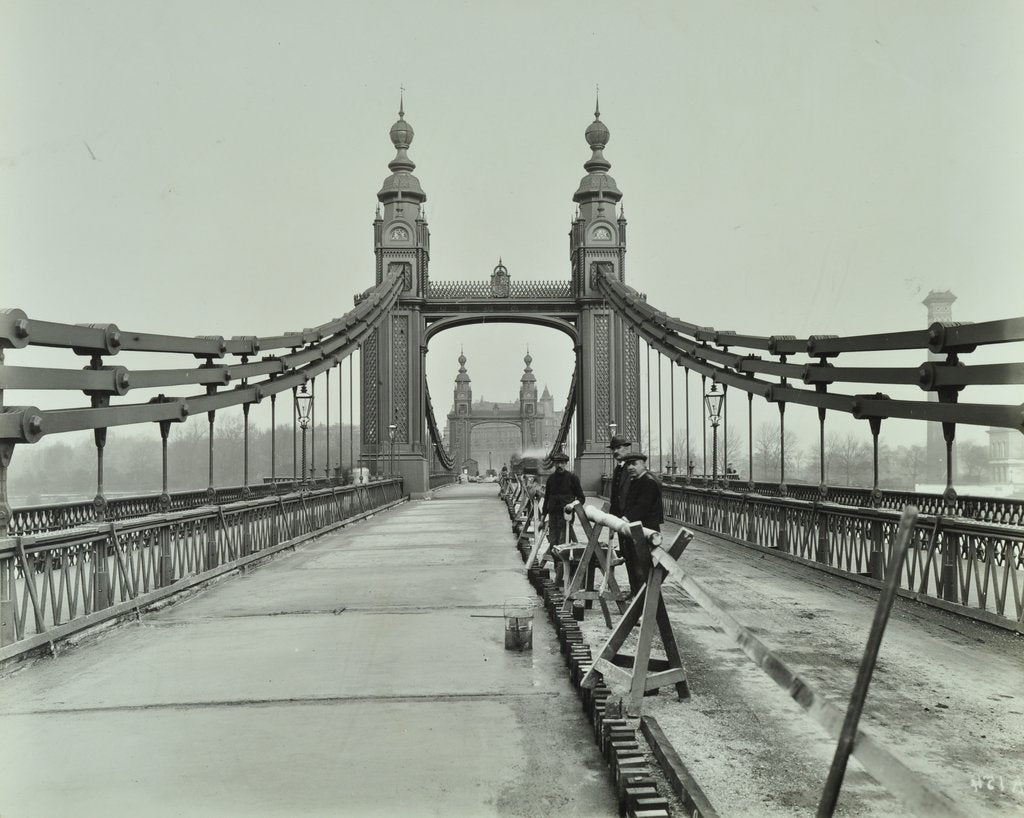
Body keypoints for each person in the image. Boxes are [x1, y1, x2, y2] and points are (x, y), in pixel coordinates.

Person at [607, 435, 642, 594]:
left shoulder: (631, 469)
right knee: (628, 556)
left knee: (636, 559)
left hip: (630, 521)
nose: (615, 451)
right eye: (613, 449)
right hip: (620, 521)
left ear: (626, 448)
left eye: (618, 448)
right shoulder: (618, 468)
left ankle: (640, 594)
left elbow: (633, 497)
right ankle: (634, 591)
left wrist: (628, 517)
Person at [542, 452, 585, 545]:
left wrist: (572, 505)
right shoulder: (550, 479)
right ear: (554, 464)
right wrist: (543, 517)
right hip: (553, 515)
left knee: (563, 542)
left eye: (562, 463)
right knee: (552, 541)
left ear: (566, 463)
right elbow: (546, 499)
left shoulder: (573, 478)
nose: (559, 465)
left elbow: (581, 498)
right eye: (557, 463)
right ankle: (556, 559)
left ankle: (562, 559)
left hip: (566, 516)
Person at [622, 452, 664, 533]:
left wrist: (626, 519)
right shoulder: (638, 479)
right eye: (628, 464)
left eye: (634, 464)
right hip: (638, 526)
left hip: (647, 529)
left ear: (643, 465)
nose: (630, 467)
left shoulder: (649, 482)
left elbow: (642, 506)